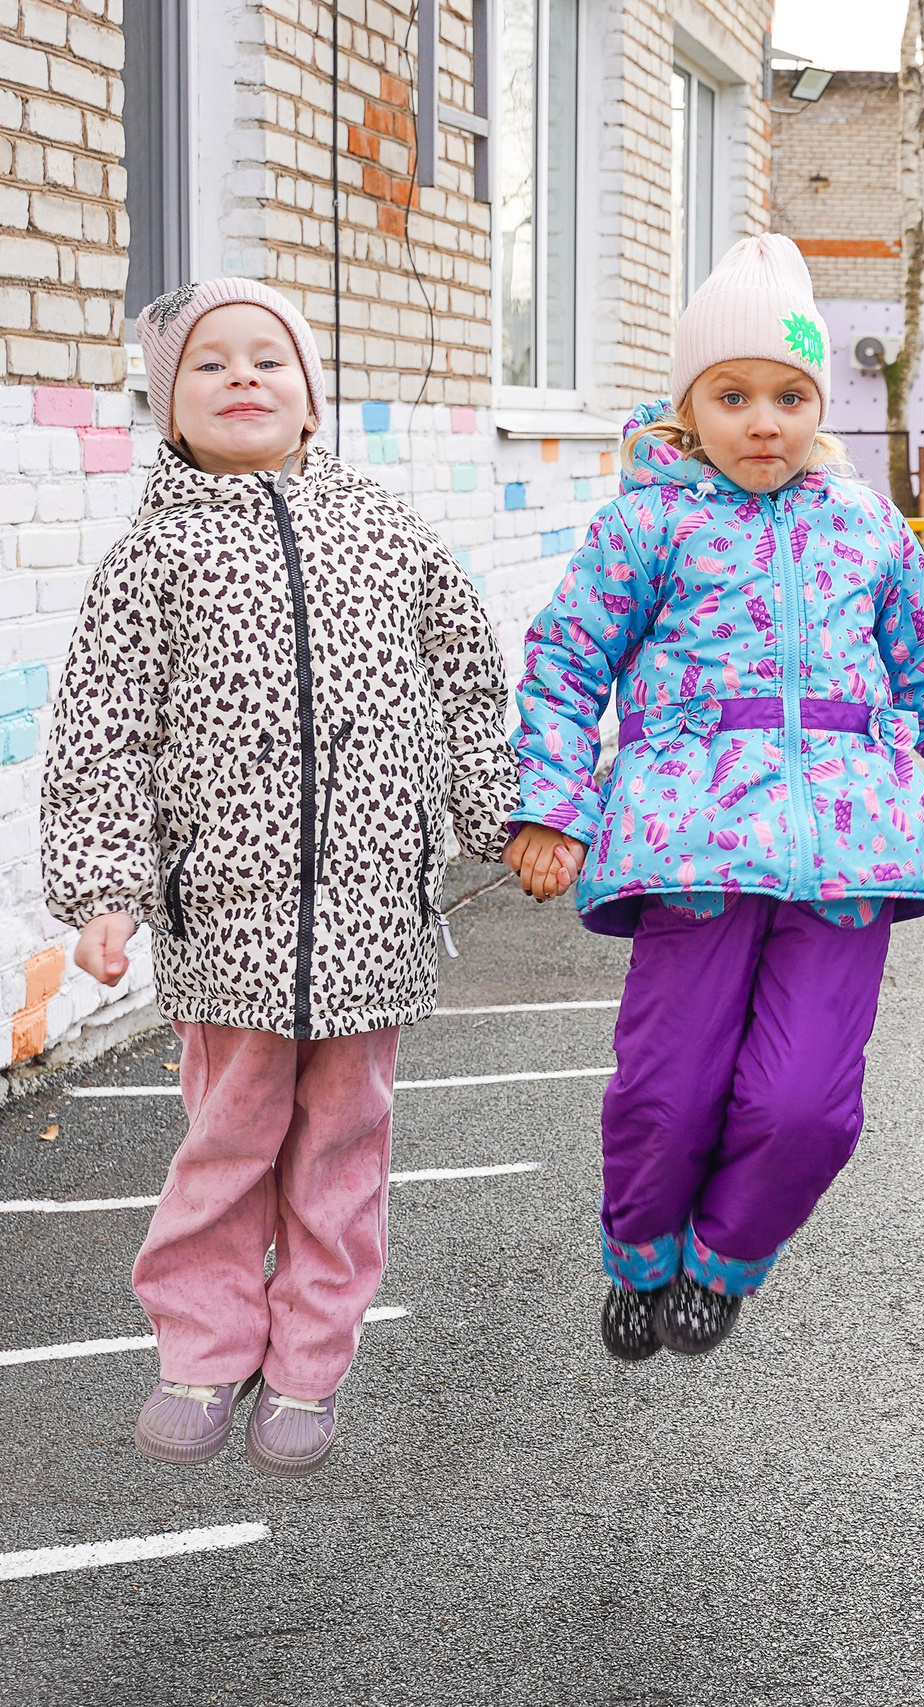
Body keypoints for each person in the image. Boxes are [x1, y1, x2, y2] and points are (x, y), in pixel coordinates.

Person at [508, 236, 924, 1362]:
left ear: (818, 404)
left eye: (790, 396)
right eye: (733, 395)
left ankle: (726, 1261)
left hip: (850, 856)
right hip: (690, 851)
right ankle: (641, 1254)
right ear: (688, 406)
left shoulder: (865, 526)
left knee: (807, 1109)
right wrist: (550, 803)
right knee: (670, 1089)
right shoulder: (650, 524)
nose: (764, 422)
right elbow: (566, 661)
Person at [42, 279, 516, 1476]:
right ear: (171, 409)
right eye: (211, 366)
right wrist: (106, 890)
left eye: (270, 360)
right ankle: (202, 1353)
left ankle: (308, 1365)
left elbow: (467, 673)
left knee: (344, 1149)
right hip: (231, 919)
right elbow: (105, 730)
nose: (243, 378)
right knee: (228, 1143)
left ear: (312, 399)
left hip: (373, 913)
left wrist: (500, 812)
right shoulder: (153, 554)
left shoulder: (386, 530)